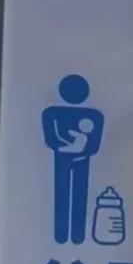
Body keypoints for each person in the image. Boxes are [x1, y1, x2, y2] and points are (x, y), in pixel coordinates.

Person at [42, 74, 104, 244]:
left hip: (83, 158)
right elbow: (50, 137)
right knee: (61, 194)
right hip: (62, 158)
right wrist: (70, 147)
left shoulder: (94, 115)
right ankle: (60, 236)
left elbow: (95, 142)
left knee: (80, 196)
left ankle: (78, 237)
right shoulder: (51, 113)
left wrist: (81, 147)